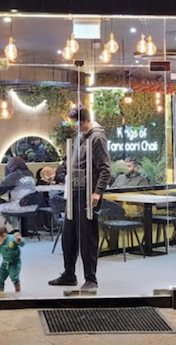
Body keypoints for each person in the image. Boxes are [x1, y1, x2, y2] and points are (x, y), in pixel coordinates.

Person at [49, 105, 111, 291]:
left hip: (88, 193)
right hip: (74, 191)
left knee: (87, 237)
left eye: (76, 123)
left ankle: (91, 278)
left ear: (84, 120)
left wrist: (97, 192)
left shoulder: (97, 138)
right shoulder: (80, 137)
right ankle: (69, 273)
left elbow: (105, 169)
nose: (74, 126)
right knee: (68, 235)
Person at [0, 157, 37, 232]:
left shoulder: (14, 175)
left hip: (20, 206)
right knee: (11, 206)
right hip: (33, 206)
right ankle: (16, 230)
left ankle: (11, 230)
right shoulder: (30, 174)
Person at [0, 223, 25, 292]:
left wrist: (19, 241)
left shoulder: (12, 238)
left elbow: (23, 243)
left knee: (14, 277)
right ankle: (1, 289)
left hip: (15, 263)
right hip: (5, 263)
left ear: (4, 235)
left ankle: (17, 290)